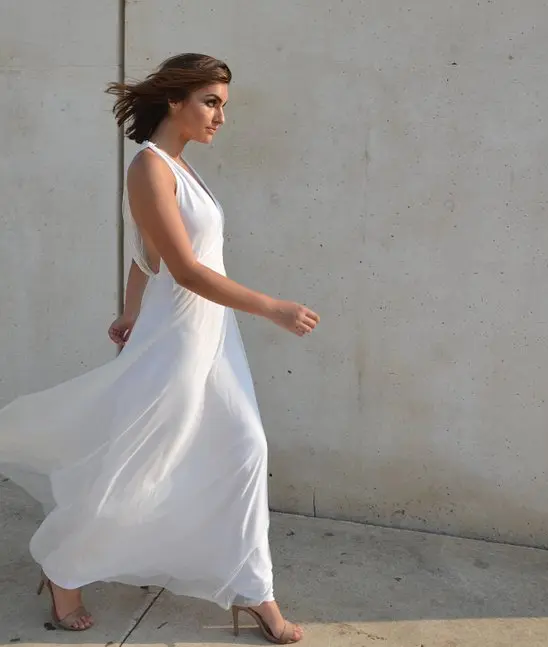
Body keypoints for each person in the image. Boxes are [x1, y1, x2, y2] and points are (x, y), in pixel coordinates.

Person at [0, 53, 319, 643]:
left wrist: (128, 309)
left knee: (246, 448)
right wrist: (272, 307)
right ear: (175, 100)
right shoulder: (149, 167)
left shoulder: (180, 166)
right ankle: (64, 568)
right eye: (211, 102)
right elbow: (186, 269)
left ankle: (254, 590)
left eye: (223, 105)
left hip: (213, 335)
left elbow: (145, 255)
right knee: (143, 463)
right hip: (179, 337)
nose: (221, 116)